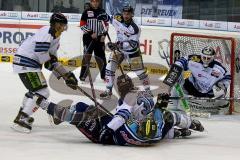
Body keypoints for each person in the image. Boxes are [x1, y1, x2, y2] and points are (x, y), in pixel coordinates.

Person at [39, 75, 204, 145]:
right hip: (121, 129)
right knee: (169, 120)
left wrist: (107, 129)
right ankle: (182, 131)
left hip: (110, 136)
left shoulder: (130, 106)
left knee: (82, 112)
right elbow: (166, 115)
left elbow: (121, 117)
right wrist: (162, 105)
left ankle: (46, 106)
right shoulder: (156, 130)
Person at [12, 13, 78, 133]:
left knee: (36, 91)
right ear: (53, 24)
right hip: (26, 64)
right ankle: (22, 119)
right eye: (60, 24)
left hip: (28, 64)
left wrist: (67, 75)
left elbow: (53, 60)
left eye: (64, 25)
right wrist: (64, 75)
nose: (62, 27)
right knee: (42, 92)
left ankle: (22, 116)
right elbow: (47, 62)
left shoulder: (56, 37)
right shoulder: (45, 35)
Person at [100, 5, 151, 99]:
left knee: (140, 72)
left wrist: (116, 45)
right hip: (119, 50)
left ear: (132, 14)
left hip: (132, 52)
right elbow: (109, 18)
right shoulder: (118, 19)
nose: (126, 15)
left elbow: (133, 44)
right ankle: (108, 91)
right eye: (124, 13)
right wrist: (103, 16)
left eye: (128, 14)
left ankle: (148, 91)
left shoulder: (135, 28)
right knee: (109, 68)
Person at [163, 46, 231, 114]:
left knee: (220, 91)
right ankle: (172, 105)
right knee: (179, 73)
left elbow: (228, 76)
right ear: (201, 55)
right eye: (204, 57)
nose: (206, 60)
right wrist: (177, 65)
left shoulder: (219, 67)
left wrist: (222, 84)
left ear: (213, 57)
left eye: (209, 58)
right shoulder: (194, 59)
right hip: (192, 89)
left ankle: (216, 108)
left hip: (207, 95)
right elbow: (183, 60)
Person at [79, 0, 108, 82]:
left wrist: (103, 35)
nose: (95, 3)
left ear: (99, 3)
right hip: (88, 38)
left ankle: (104, 76)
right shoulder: (86, 12)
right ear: (91, 2)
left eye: (96, 2)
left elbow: (106, 25)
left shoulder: (102, 12)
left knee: (101, 57)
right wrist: (91, 32)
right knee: (86, 57)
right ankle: (83, 75)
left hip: (99, 39)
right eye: (93, 1)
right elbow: (82, 25)